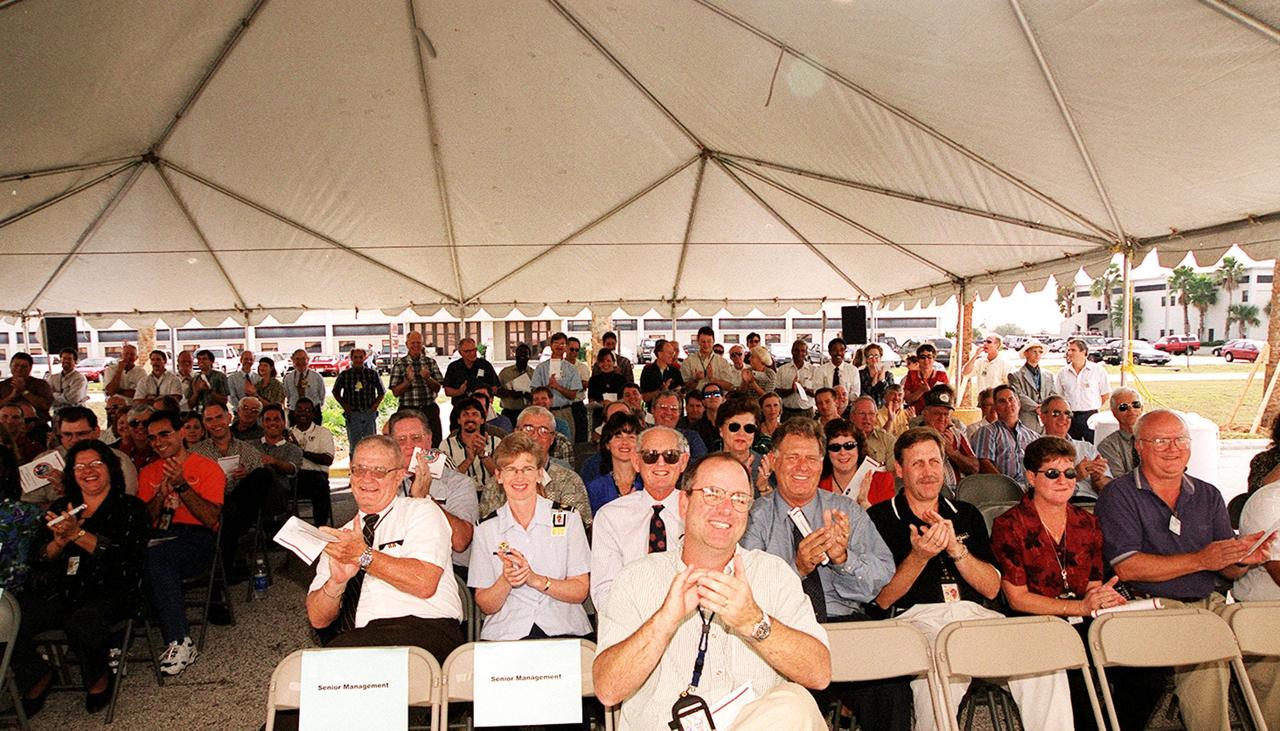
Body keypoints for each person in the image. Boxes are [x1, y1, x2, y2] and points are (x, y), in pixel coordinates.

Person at [593, 453, 831, 730]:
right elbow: (608, 689)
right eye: (712, 494)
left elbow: (819, 674)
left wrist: (754, 622)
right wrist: (664, 622)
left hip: (755, 724)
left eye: (740, 499)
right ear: (683, 503)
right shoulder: (636, 578)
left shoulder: (774, 574)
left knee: (795, 702)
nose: (726, 509)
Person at [869, 428, 1072, 730]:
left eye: (934, 462)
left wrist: (955, 549)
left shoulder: (965, 513)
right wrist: (919, 558)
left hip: (974, 615)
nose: (928, 472)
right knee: (938, 673)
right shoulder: (881, 518)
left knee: (1044, 661)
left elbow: (991, 587)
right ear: (899, 469)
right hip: (915, 620)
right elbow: (882, 599)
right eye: (917, 464)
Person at [1096, 409, 1278, 729]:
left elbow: (1227, 571)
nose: (1173, 448)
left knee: (1269, 636)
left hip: (1209, 602)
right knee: (1210, 651)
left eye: (1181, 439)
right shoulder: (1119, 494)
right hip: (1150, 604)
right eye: (1161, 440)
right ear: (1139, 446)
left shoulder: (1207, 494)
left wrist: (1243, 560)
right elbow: (1128, 567)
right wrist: (1202, 560)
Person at [990, 436, 1167, 731]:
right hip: (1035, 624)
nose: (1064, 480)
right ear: (1032, 478)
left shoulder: (1086, 522)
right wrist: (1082, 606)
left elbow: (1094, 583)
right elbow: (1017, 599)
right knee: (1078, 683)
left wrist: (1102, 598)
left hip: (1084, 618)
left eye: (1070, 472)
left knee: (1148, 671)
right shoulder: (1010, 525)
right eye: (1052, 473)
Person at [742, 418, 907, 731]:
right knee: (782, 704)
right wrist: (797, 570)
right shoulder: (755, 517)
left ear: (822, 463)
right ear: (774, 461)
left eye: (812, 458)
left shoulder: (847, 511)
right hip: (783, 627)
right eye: (792, 458)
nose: (802, 466)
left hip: (844, 624)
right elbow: (749, 591)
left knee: (891, 686)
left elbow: (883, 577)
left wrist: (843, 559)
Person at [11, 441, 149, 717]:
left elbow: (123, 559)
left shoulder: (130, 507)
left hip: (112, 590)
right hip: (62, 590)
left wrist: (78, 535)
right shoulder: (63, 506)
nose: (88, 471)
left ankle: (98, 678)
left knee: (83, 623)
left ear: (110, 467)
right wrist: (59, 543)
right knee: (6, 617)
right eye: (80, 466)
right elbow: (38, 558)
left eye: (96, 464)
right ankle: (36, 673)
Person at [306, 435, 464, 662]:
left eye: (379, 471)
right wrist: (336, 583)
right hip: (362, 637)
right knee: (313, 671)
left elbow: (424, 583)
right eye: (359, 469)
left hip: (425, 628)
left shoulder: (421, 511)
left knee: (336, 664)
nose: (366, 479)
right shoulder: (342, 538)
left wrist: (363, 555)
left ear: (399, 476)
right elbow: (318, 619)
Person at [470, 432, 592, 640]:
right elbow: (486, 604)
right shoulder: (485, 529)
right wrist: (506, 580)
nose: (519, 477)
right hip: (506, 633)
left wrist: (536, 580)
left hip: (564, 629)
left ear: (539, 474)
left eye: (527, 469)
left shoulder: (568, 519)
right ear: (498, 476)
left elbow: (580, 590)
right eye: (511, 469)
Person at [138, 411, 225, 676]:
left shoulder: (207, 468)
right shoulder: (148, 472)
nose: (158, 441)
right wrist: (158, 494)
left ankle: (179, 639)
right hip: (158, 535)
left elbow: (211, 518)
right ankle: (116, 642)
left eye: (164, 434)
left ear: (181, 434)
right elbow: (144, 521)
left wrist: (182, 486)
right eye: (152, 438)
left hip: (196, 538)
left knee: (158, 557)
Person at [590, 426, 689, 609]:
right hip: (630, 624)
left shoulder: (699, 512)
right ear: (636, 461)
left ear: (683, 462)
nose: (661, 463)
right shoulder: (610, 516)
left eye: (670, 455)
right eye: (650, 455)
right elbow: (604, 591)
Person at [387, 409, 477, 575]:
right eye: (401, 440)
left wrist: (425, 499)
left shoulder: (458, 483)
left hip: (449, 569)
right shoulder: (384, 484)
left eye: (416, 438)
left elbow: (460, 541)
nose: (409, 446)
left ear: (428, 440)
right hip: (396, 566)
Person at [191, 401, 268, 578]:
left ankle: (222, 574)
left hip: (240, 510)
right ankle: (225, 572)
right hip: (210, 509)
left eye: (219, 417)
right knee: (227, 514)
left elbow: (258, 486)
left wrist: (247, 474)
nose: (216, 423)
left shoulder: (246, 450)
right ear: (205, 424)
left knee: (261, 475)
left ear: (228, 418)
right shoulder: (197, 453)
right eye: (210, 419)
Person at [480, 407, 592, 525]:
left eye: (543, 430)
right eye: (528, 429)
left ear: (552, 438)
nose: (535, 436)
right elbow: (488, 528)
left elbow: (579, 528)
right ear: (516, 432)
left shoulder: (569, 480)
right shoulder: (497, 483)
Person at [1037, 395, 1112, 499]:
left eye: (1068, 414)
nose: (1063, 418)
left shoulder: (1087, 448)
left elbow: (1108, 490)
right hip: (1058, 505)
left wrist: (1098, 479)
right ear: (1043, 417)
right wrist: (1073, 475)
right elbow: (1036, 488)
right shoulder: (1035, 449)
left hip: (1090, 503)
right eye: (1056, 413)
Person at [971, 384, 1040, 486]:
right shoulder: (987, 432)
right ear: (995, 407)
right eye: (1002, 401)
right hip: (1000, 492)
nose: (1008, 404)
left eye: (1011, 399)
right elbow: (984, 463)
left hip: (1030, 491)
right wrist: (1006, 487)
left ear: (1019, 403)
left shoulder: (1033, 436)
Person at [820, 419, 895, 509]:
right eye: (835, 447)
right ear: (826, 452)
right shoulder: (817, 482)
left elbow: (887, 522)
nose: (842, 452)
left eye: (849, 445)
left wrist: (865, 504)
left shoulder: (882, 481)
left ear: (859, 448)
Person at [389, 331, 444, 447]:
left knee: (434, 443)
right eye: (413, 343)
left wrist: (428, 378)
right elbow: (395, 392)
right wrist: (408, 381)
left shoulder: (430, 362)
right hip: (407, 410)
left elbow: (438, 388)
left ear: (422, 344)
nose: (416, 346)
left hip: (429, 409)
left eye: (418, 343)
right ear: (407, 344)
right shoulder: (399, 364)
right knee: (407, 444)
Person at [918, 386, 978, 491]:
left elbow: (975, 468)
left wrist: (953, 453)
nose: (942, 418)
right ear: (925, 413)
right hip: (928, 492)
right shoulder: (914, 436)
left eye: (946, 414)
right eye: (937, 413)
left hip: (958, 494)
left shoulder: (957, 434)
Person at [585, 411, 643, 514]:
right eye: (618, 436)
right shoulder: (595, 487)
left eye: (631, 437)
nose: (625, 442)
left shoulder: (647, 483)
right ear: (607, 444)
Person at [290, 399, 335, 527]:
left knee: (320, 485)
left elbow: (327, 460)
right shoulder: (289, 433)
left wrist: (301, 452)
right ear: (294, 413)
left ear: (313, 414)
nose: (303, 413)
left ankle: (320, 529)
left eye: (307, 410)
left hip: (315, 476)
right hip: (293, 476)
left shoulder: (323, 433)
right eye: (299, 410)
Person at [1054, 337, 1110, 442]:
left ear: (1084, 352)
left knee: (1093, 448)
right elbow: (1059, 396)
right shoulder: (1062, 373)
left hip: (1091, 416)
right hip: (1070, 417)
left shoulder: (1098, 371)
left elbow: (1105, 395)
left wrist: (1091, 406)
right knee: (1071, 448)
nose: (1069, 353)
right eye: (1068, 350)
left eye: (1073, 350)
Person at [531, 332, 583, 442]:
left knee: (566, 443)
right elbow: (534, 392)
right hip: (544, 411)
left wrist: (558, 387)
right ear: (550, 345)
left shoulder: (572, 369)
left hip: (564, 411)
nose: (559, 346)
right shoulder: (541, 368)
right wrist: (548, 387)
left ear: (566, 347)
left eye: (563, 344)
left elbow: (573, 395)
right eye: (556, 343)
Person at [716, 396, 772, 496]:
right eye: (734, 427)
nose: (741, 433)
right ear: (721, 430)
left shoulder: (765, 468)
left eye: (749, 428)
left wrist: (764, 488)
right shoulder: (707, 467)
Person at [441, 396, 500, 489]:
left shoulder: (496, 442)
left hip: (491, 496)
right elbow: (446, 482)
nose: (470, 418)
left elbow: (501, 476)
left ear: (482, 420)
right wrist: (468, 460)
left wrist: (483, 455)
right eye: (465, 414)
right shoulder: (446, 446)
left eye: (475, 414)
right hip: (460, 496)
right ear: (459, 420)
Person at [332, 347, 385, 448]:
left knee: (370, 443)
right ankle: (354, 462)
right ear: (351, 358)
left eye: (360, 357)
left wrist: (374, 407)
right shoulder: (345, 375)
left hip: (369, 412)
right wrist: (345, 407)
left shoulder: (372, 374)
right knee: (354, 444)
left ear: (365, 358)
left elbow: (382, 392)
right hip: (352, 414)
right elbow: (335, 392)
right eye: (355, 357)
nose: (358, 360)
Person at [1007, 339, 1054, 431]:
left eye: (1040, 352)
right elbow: (1018, 395)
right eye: (1034, 351)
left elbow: (1053, 393)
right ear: (1026, 353)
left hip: (1045, 418)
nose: (1038, 354)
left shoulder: (1048, 375)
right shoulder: (1015, 375)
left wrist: (1045, 407)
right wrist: (1036, 407)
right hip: (1026, 418)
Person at [649, 389, 707, 462]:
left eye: (674, 408)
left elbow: (700, 465)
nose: (668, 412)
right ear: (652, 410)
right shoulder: (642, 438)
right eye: (663, 407)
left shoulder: (692, 438)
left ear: (679, 412)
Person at [1097, 387, 1143, 478]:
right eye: (1123, 407)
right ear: (1114, 412)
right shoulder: (1108, 446)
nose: (1131, 410)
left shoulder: (1157, 437)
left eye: (1135, 404)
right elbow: (1119, 481)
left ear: (1141, 408)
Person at [680, 326, 739, 394]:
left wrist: (713, 380)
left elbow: (730, 387)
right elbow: (684, 388)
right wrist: (696, 380)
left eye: (709, 341)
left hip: (717, 401)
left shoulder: (723, 362)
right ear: (698, 341)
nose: (706, 345)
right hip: (696, 401)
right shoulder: (688, 361)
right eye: (703, 341)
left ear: (713, 341)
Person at [1, 352, 55, 425]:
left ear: (30, 368)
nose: (19, 369)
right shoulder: (2, 385)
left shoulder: (41, 384)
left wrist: (24, 392)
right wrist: (11, 396)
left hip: (37, 424)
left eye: (24, 366)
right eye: (16, 365)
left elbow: (46, 405)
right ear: (10, 366)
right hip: (8, 425)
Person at [442, 337, 499, 404]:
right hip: (461, 407)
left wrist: (484, 393)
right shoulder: (454, 367)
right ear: (460, 353)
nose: (472, 353)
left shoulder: (485, 365)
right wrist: (459, 392)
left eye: (474, 350)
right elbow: (447, 391)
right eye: (467, 351)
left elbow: (495, 387)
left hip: (482, 407)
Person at [849, 395, 897, 470]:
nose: (867, 418)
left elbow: (893, 472)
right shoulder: (843, 440)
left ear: (876, 417)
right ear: (852, 417)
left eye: (871, 414)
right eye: (861, 413)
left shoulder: (888, 440)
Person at [776, 339, 817, 420]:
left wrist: (804, 390)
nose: (799, 353)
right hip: (787, 412)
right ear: (792, 351)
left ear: (806, 353)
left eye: (803, 351)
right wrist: (791, 390)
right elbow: (776, 392)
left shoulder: (813, 370)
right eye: (796, 350)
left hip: (807, 412)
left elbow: (817, 393)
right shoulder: (782, 369)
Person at [902, 343, 948, 413]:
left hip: (935, 414)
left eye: (929, 357)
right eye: (922, 357)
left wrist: (930, 393)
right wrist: (921, 391)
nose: (926, 360)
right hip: (915, 415)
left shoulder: (941, 376)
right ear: (918, 359)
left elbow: (946, 399)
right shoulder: (912, 375)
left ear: (934, 359)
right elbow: (908, 400)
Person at [587, 347, 628, 427]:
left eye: (608, 361)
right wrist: (602, 403)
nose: (605, 364)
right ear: (598, 364)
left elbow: (626, 398)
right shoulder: (593, 380)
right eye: (602, 361)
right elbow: (591, 401)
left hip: (619, 415)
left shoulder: (621, 379)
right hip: (599, 417)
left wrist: (613, 404)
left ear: (613, 362)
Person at [497, 342, 535, 427]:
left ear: (529, 357)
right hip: (509, 412)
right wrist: (510, 393)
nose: (522, 356)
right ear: (515, 355)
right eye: (520, 353)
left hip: (527, 412)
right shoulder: (505, 372)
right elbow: (496, 391)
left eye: (525, 354)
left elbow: (538, 394)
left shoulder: (533, 373)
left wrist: (529, 395)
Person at [961, 334, 1008, 401]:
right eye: (984, 341)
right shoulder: (980, 361)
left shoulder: (1004, 363)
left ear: (997, 345)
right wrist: (975, 355)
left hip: (997, 401)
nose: (985, 344)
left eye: (989, 342)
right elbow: (965, 372)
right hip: (982, 401)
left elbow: (1008, 384)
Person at [814, 337, 860, 406]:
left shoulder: (853, 370)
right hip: (827, 407)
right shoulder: (821, 370)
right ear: (829, 352)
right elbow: (817, 392)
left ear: (845, 352)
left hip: (847, 408)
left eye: (842, 350)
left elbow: (855, 393)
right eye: (835, 350)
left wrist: (843, 401)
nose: (839, 353)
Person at [638, 338, 683, 404]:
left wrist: (679, 392)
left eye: (672, 353)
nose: (672, 356)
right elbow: (644, 397)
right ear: (660, 354)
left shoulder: (675, 370)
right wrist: (661, 391)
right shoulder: (648, 371)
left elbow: (682, 392)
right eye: (669, 353)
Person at [46, 347, 89, 413]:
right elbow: (46, 397)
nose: (66, 361)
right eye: (64, 358)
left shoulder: (79, 378)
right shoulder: (52, 378)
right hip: (57, 415)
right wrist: (65, 397)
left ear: (75, 361)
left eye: (69, 359)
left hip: (76, 414)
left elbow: (73, 399)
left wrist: (54, 395)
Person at [283, 349, 325, 414]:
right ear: (293, 360)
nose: (300, 361)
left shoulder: (317, 377)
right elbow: (288, 395)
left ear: (308, 360)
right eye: (297, 359)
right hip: (294, 411)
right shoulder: (288, 378)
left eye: (303, 358)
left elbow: (322, 395)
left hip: (313, 411)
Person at [859, 343, 895, 407]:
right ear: (866, 359)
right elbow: (864, 396)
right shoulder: (860, 374)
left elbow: (890, 395)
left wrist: (883, 380)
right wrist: (874, 381)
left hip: (884, 410)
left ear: (880, 358)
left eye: (876, 356)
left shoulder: (888, 375)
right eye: (870, 356)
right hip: (867, 408)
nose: (874, 359)